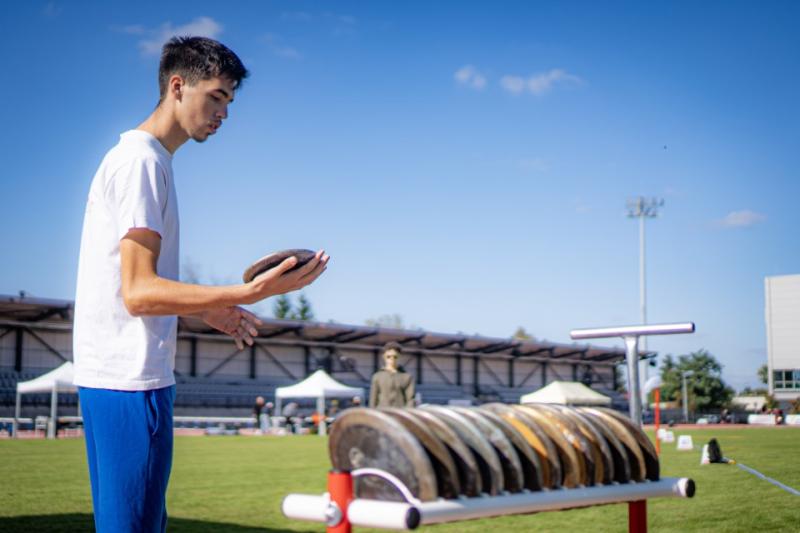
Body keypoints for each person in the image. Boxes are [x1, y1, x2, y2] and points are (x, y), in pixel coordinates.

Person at [72, 36, 329, 532]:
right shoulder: (142, 162)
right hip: (131, 381)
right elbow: (139, 292)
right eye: (216, 97)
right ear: (177, 86)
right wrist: (249, 293)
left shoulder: (140, 159)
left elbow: (131, 285)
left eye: (229, 103)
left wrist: (204, 309)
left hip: (110, 378)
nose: (223, 114)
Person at [369, 342, 415, 408]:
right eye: (388, 356)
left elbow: (410, 400)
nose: (392, 359)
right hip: (382, 415)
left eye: (395, 357)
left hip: (400, 415)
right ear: (384, 357)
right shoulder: (377, 377)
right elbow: (373, 400)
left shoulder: (407, 377)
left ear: (400, 357)